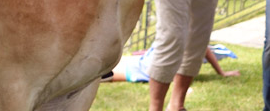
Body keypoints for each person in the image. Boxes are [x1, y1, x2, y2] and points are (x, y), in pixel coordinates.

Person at [102, 44, 239, 83]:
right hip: (152, 61)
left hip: (153, 66)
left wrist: (221, 72)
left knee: (110, 73)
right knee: (116, 68)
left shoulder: (195, 36)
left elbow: (205, 49)